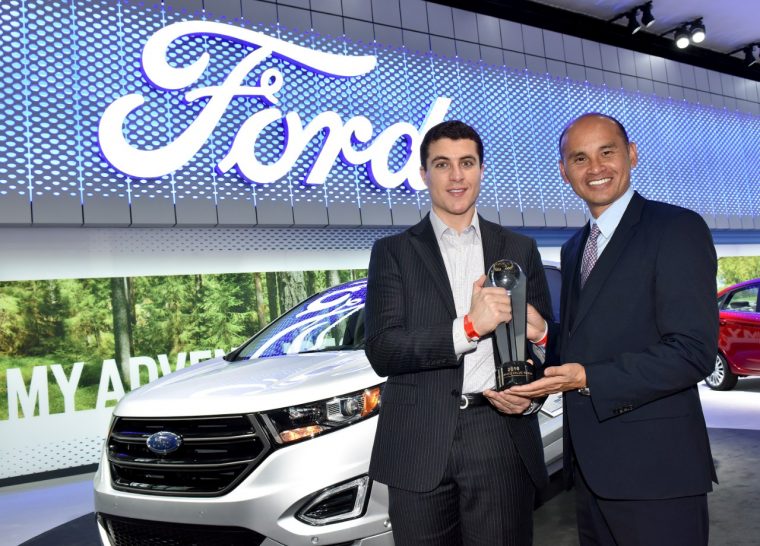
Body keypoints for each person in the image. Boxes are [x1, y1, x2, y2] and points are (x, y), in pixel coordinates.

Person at [510, 113, 718, 546]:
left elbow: (692, 351)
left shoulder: (676, 228)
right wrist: (543, 334)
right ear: (564, 172)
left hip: (659, 473)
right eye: (579, 158)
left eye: (607, 152)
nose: (596, 168)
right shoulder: (574, 248)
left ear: (632, 154)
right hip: (590, 473)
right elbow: (587, 339)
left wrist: (589, 378)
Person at [364, 120, 554, 546]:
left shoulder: (519, 248)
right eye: (442, 164)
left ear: (481, 170)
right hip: (417, 439)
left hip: (499, 434)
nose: (456, 176)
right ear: (423, 174)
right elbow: (382, 349)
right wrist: (469, 328)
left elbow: (543, 348)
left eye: (466, 163)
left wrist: (531, 382)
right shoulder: (392, 253)